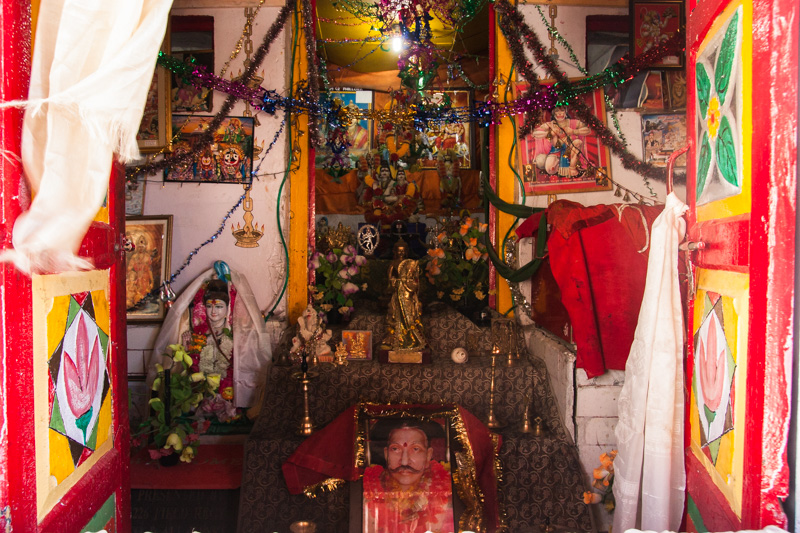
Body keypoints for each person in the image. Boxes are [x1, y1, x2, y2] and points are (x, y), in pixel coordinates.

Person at [363, 420, 454, 533]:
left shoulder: (445, 494)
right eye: (395, 449)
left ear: (428, 455)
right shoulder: (368, 493)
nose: (404, 461)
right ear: (386, 454)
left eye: (415, 449)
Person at [382, 240, 426, 351]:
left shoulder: (409, 263)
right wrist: (393, 281)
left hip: (407, 291)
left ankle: (411, 335)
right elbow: (389, 277)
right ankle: (394, 337)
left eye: (403, 251)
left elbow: (415, 279)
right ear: (395, 251)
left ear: (406, 252)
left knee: (410, 311)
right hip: (397, 291)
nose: (401, 253)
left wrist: (409, 282)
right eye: (399, 251)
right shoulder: (393, 263)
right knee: (395, 311)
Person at [531, 105, 591, 178]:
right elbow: (534, 133)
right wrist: (550, 133)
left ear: (565, 112)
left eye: (562, 110)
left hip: (570, 151)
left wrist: (573, 131)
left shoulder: (573, 123)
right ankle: (560, 168)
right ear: (554, 113)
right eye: (557, 111)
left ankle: (572, 168)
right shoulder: (550, 124)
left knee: (578, 142)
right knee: (550, 169)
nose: (559, 113)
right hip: (555, 152)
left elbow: (588, 130)